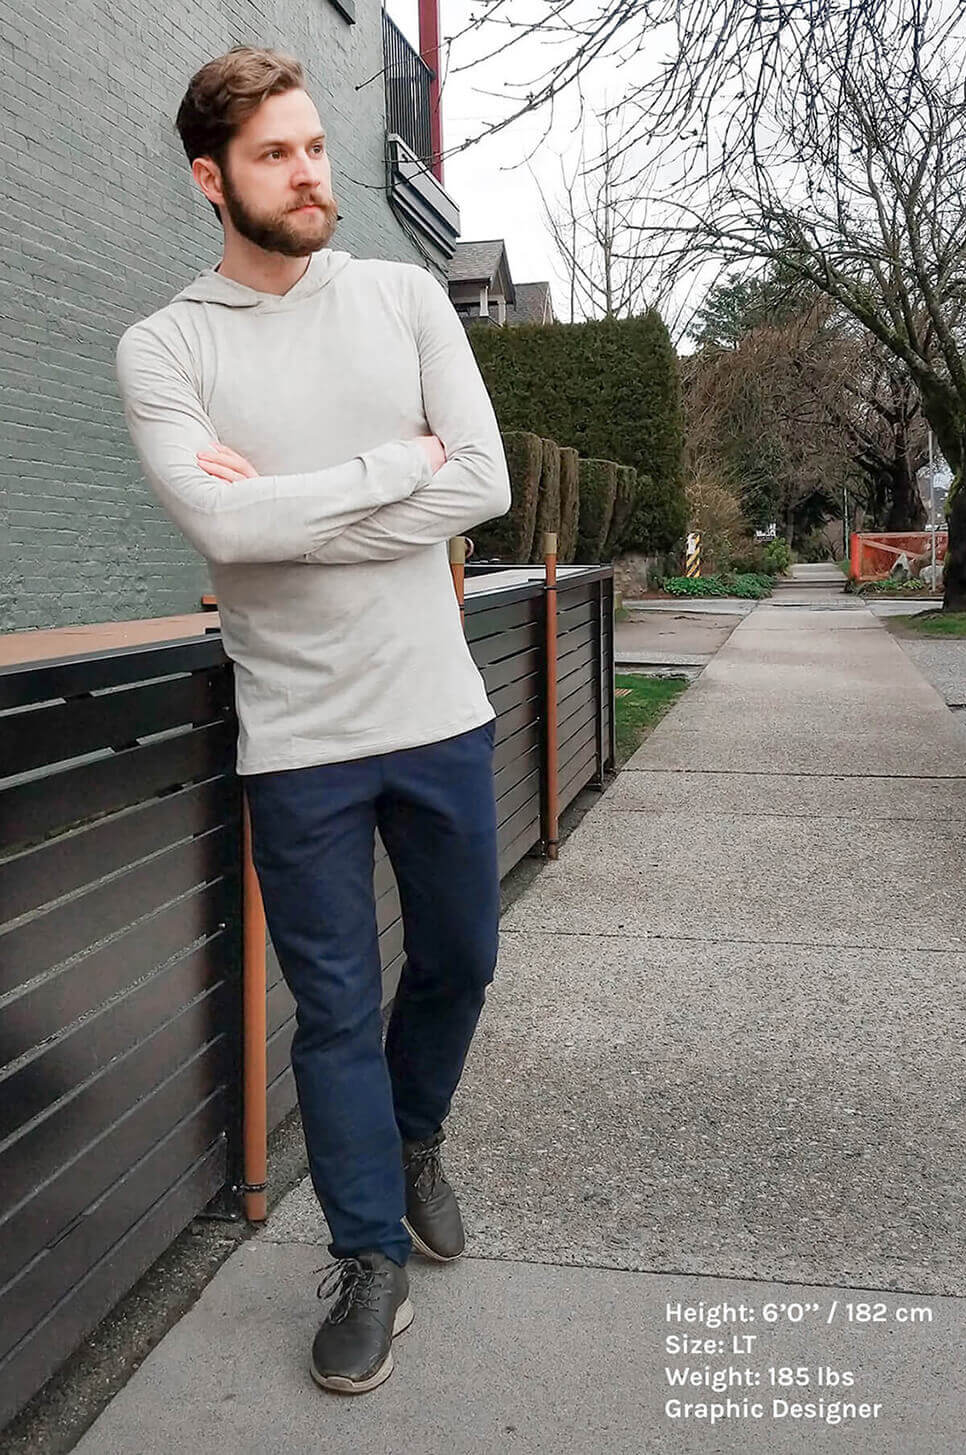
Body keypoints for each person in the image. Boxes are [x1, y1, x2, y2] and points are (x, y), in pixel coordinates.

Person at [114, 45, 511, 1397]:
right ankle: (366, 1261)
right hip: (298, 741)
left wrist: (300, 510)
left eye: (313, 145)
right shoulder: (168, 345)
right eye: (275, 154)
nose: (307, 170)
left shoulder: (403, 299)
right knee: (334, 1010)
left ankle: (412, 1141)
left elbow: (481, 483)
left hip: (438, 713)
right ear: (210, 179)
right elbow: (221, 524)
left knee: (458, 960)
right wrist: (386, 469)